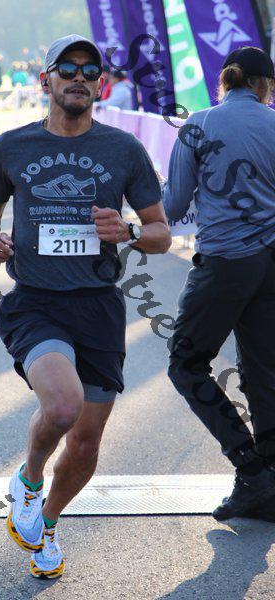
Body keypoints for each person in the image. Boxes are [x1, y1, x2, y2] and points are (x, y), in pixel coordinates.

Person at [0, 34, 171, 579]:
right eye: (67, 67)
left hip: (99, 307)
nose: (79, 76)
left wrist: (129, 231)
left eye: (89, 69)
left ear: (100, 84)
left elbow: (160, 232)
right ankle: (29, 480)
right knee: (63, 408)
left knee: (85, 443)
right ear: (46, 80)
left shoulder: (123, 149)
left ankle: (47, 522)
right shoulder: (11, 147)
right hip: (35, 303)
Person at [163, 46, 275, 522]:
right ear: (262, 85)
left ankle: (251, 471)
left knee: (186, 365)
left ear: (226, 80)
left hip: (226, 261)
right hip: (271, 263)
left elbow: (172, 207)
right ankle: (268, 483)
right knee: (264, 373)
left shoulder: (199, 125)